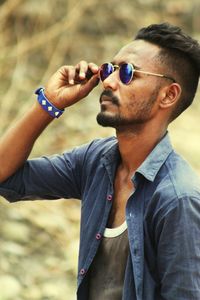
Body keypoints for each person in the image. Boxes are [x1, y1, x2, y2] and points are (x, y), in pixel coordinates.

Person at [0, 22, 200, 300]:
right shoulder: (97, 161)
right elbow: (5, 174)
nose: (108, 81)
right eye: (109, 69)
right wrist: (49, 103)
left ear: (168, 95)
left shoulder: (178, 199)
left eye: (128, 73)